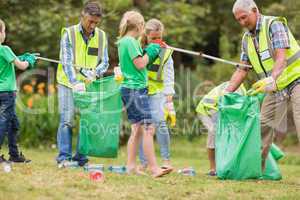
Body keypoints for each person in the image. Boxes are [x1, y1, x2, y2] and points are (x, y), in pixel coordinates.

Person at [226, 0, 300, 169]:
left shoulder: (274, 25)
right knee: (261, 128)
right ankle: (254, 170)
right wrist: (226, 92)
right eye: (238, 20)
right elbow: (242, 70)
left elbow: (281, 57)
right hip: (275, 88)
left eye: (244, 17)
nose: (242, 22)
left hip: (297, 80)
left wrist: (271, 78)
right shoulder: (246, 39)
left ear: (255, 10)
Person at [116, 11, 172, 177]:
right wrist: (153, 51)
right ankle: (154, 168)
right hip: (136, 90)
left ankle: (131, 167)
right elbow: (140, 64)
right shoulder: (131, 42)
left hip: (128, 89)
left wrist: (149, 50)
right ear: (140, 26)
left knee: (137, 130)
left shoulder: (123, 42)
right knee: (149, 128)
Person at [56, 1, 109, 167]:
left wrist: (95, 73)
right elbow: (66, 62)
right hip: (67, 83)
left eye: (96, 22)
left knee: (87, 120)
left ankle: (81, 158)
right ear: (82, 16)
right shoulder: (69, 34)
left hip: (89, 84)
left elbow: (105, 62)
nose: (92, 25)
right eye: (90, 21)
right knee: (67, 119)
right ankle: (64, 158)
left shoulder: (101, 36)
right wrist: (74, 82)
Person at [138, 19, 175, 171]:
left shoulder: (166, 52)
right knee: (142, 126)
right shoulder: (138, 47)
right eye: (153, 38)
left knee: (160, 122)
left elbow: (169, 72)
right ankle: (143, 161)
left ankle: (166, 159)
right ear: (146, 36)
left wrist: (169, 93)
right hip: (141, 88)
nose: (156, 41)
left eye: (159, 37)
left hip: (158, 91)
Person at [0, 19, 36, 163]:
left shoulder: (4, 53)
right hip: (7, 94)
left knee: (13, 123)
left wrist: (18, 58)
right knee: (3, 122)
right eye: (3, 31)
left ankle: (14, 155)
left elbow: (8, 64)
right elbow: (21, 66)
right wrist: (30, 60)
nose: (5, 34)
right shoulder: (5, 49)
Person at [196, 82, 246, 176]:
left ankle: (228, 166)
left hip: (217, 110)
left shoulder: (242, 90)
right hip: (205, 110)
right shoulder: (231, 88)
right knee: (213, 132)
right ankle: (213, 168)